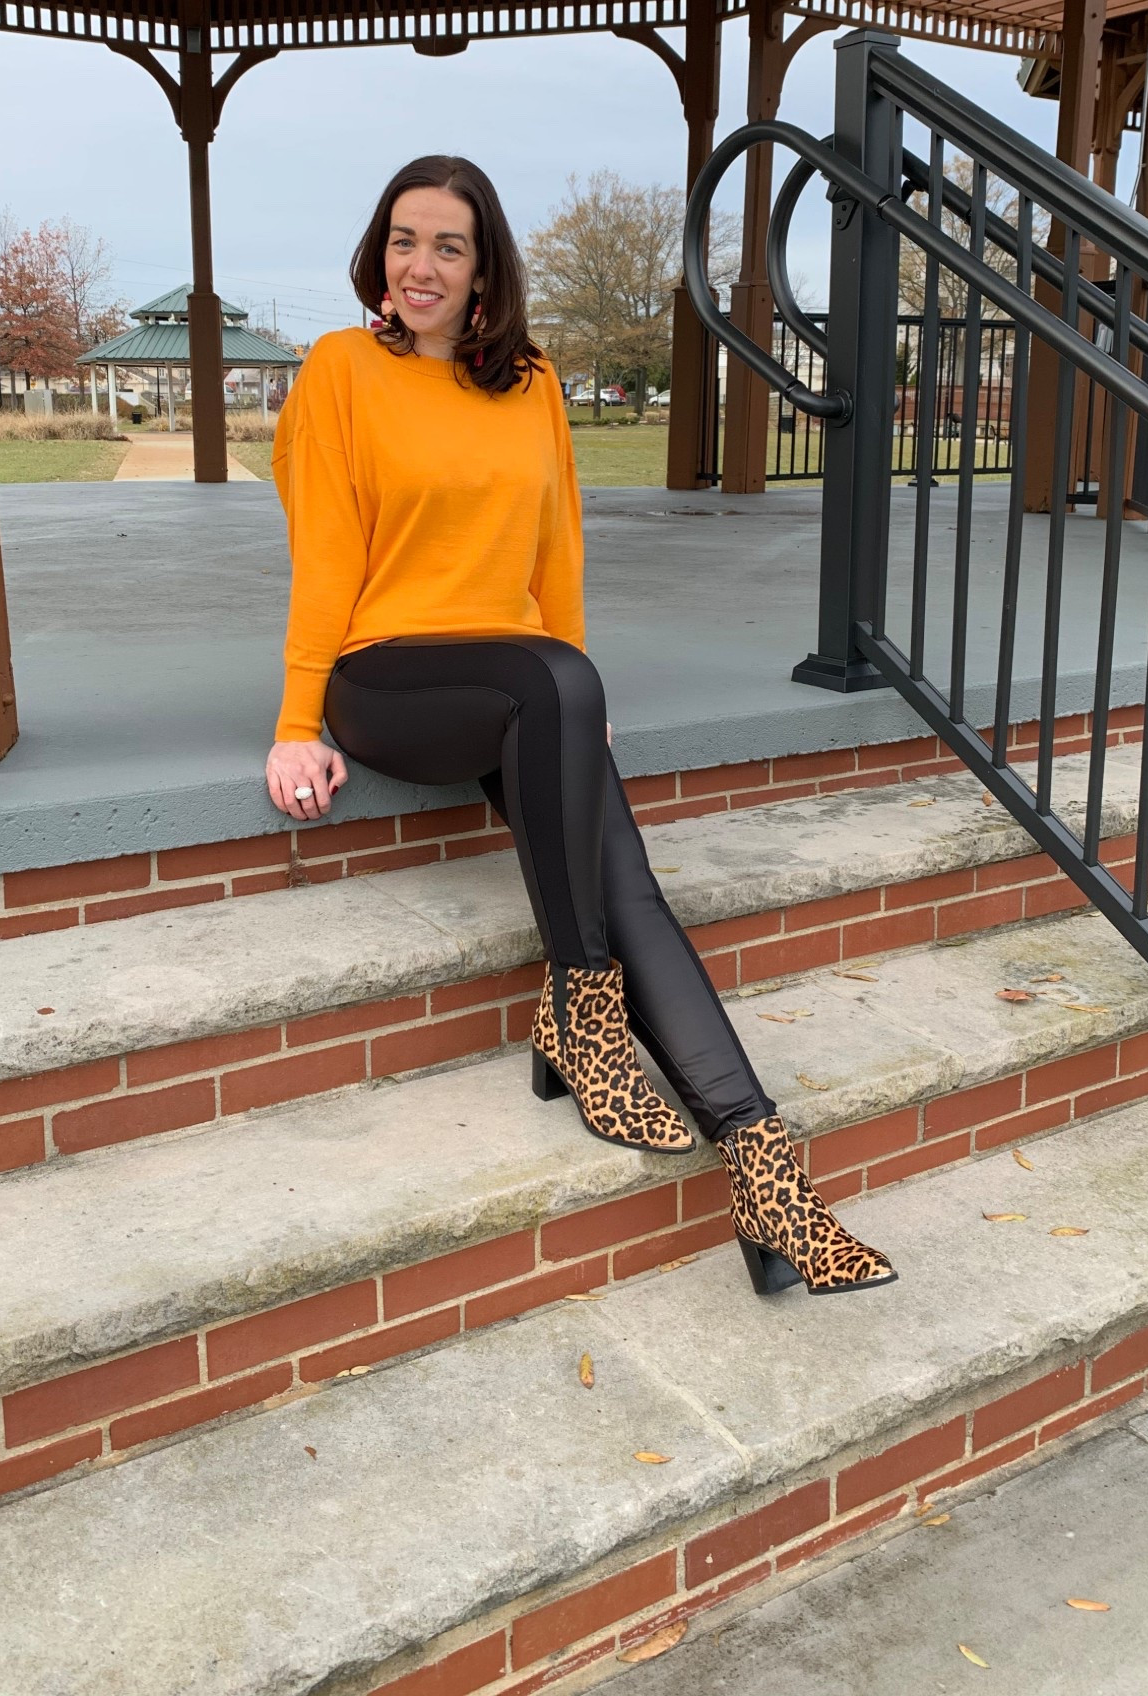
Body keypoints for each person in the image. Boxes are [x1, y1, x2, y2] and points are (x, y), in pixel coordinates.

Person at [265, 155, 893, 1299]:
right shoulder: (340, 369)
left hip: (520, 682)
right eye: (404, 239)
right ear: (379, 249)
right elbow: (323, 555)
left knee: (626, 880)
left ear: (484, 266)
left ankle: (765, 1168)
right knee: (554, 690)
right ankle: (581, 1016)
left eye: (448, 246)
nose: (421, 266)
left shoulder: (534, 381)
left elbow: (559, 552)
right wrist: (298, 717)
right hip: (387, 676)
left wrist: (578, 700)